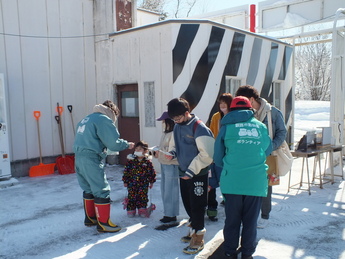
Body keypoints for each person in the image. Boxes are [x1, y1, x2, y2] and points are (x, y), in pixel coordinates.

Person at [214, 96, 272, 259]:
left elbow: (217, 156)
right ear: (250, 110)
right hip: (255, 182)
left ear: (231, 109)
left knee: (232, 220)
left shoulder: (226, 126)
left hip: (232, 181)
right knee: (250, 222)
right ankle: (247, 253)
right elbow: (267, 149)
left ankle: (230, 252)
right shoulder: (260, 127)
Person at [73, 100, 135, 233]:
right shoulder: (103, 119)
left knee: (88, 188)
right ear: (112, 112)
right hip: (91, 158)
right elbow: (113, 143)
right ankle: (104, 223)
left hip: (78, 157)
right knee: (102, 189)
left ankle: (90, 218)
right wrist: (126, 144)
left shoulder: (87, 118)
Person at [166, 98, 214, 255]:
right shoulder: (178, 126)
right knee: (188, 203)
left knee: (198, 205)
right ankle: (194, 228)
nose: (176, 121)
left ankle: (199, 237)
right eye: (173, 119)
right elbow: (176, 145)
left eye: (178, 118)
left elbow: (207, 155)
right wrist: (172, 153)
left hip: (197, 173)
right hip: (183, 171)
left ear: (187, 113)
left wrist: (191, 171)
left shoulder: (199, 128)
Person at [235, 85, 287, 228]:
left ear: (251, 99)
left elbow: (282, 132)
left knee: (266, 185)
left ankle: (265, 215)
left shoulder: (273, 112)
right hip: (249, 156)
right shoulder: (244, 114)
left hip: (268, 155)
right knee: (250, 185)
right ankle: (251, 214)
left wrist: (270, 146)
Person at [207, 93, 233, 221]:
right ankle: (212, 209)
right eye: (220, 103)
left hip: (230, 153)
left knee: (227, 180)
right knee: (213, 180)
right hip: (217, 152)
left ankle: (228, 202)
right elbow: (211, 134)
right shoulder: (216, 117)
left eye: (225, 103)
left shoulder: (233, 117)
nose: (222, 105)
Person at [155, 111, 180, 223]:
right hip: (164, 163)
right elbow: (163, 148)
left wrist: (159, 152)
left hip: (171, 165)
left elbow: (172, 151)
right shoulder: (166, 133)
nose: (162, 123)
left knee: (170, 190)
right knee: (165, 190)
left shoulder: (174, 133)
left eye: (164, 121)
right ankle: (168, 213)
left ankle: (171, 214)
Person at [122, 141, 156, 218]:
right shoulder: (131, 161)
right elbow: (126, 171)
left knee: (143, 197)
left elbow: (151, 172)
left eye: (140, 149)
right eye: (136, 149)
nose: (137, 150)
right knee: (131, 197)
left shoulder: (147, 162)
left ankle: (142, 210)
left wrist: (151, 181)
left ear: (145, 151)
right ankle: (131, 210)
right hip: (132, 183)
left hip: (143, 183)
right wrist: (125, 181)